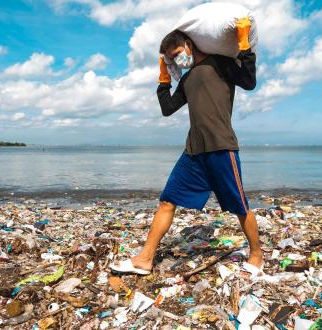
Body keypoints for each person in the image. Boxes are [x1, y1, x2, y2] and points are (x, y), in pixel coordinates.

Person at [110, 17, 262, 275]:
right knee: (167, 201)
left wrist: (244, 45)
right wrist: (163, 79)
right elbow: (167, 109)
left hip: (221, 147)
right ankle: (145, 259)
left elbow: (249, 82)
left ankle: (257, 255)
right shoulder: (187, 79)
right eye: (172, 57)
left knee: (239, 205)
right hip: (193, 151)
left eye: (178, 54)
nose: (178, 60)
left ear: (189, 45)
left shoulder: (220, 63)